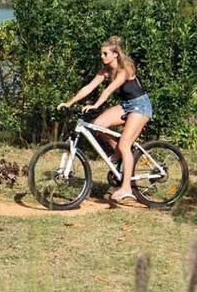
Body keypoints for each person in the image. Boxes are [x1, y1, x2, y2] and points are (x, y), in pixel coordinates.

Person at [56, 36, 152, 204]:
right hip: (126, 105)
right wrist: (69, 102)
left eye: (105, 54)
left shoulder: (125, 68)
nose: (102, 57)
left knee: (124, 144)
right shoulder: (105, 71)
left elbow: (108, 91)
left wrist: (95, 105)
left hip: (140, 106)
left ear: (115, 54)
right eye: (101, 54)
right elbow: (88, 87)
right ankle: (120, 156)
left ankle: (127, 188)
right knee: (97, 126)